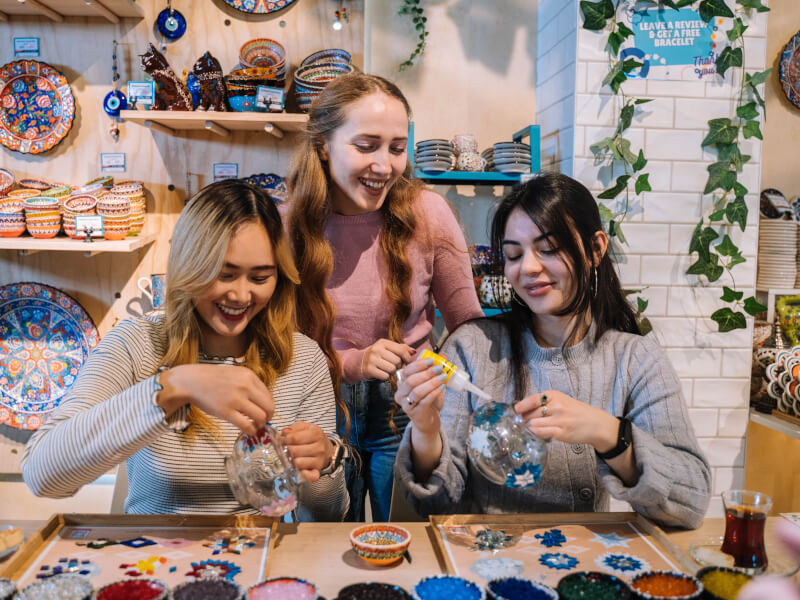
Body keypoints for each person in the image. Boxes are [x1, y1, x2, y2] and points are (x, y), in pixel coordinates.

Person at [393, 173, 711, 529]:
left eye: (548, 249)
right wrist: (425, 428)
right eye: (514, 255)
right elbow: (436, 504)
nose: (527, 268)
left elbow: (691, 500)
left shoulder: (635, 359)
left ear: (595, 249)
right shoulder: (473, 348)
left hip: (584, 565)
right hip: (486, 558)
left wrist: (608, 433)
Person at [22, 180, 348, 520]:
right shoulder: (136, 344)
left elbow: (325, 518)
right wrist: (172, 388)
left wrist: (324, 463)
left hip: (260, 557)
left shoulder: (303, 359)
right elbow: (42, 477)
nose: (240, 296)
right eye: (224, 274)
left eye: (260, 277)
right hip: (150, 558)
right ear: (189, 266)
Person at [287, 73, 483, 521]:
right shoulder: (288, 224)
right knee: (325, 543)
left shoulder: (427, 212)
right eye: (366, 145)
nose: (384, 166)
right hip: (318, 408)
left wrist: (440, 377)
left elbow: (469, 328)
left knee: (412, 534)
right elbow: (282, 342)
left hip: (408, 407)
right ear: (323, 145)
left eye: (396, 148)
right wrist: (351, 362)